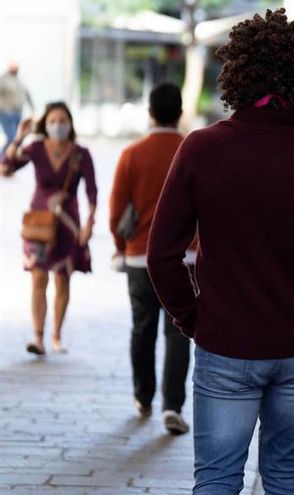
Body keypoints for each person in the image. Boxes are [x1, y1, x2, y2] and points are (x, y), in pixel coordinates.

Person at [146, 9, 294, 494]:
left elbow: (161, 254)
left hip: (224, 341)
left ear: (237, 72)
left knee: (216, 479)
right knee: (287, 474)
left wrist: (193, 318)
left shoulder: (202, 149)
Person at [109, 82, 194, 434]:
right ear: (180, 113)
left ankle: (143, 396)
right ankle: (172, 405)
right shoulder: (192, 150)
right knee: (178, 332)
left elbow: (117, 211)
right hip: (185, 258)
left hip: (140, 257)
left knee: (142, 327)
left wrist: (120, 243)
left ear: (149, 113)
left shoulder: (132, 153)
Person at [1, 102, 96, 355]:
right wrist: (19, 137)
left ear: (70, 123)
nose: (58, 125)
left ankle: (56, 334)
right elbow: (5, 167)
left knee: (62, 280)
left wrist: (89, 223)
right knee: (38, 277)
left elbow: (92, 191)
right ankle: (38, 337)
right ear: (45, 123)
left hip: (68, 225)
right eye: (53, 120)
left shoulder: (80, 153)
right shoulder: (35, 148)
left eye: (63, 120)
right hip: (38, 225)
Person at [0, 62, 34, 151]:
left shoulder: (19, 80)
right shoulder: (3, 80)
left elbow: (27, 94)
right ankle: (3, 159)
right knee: (13, 138)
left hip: (18, 112)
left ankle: (6, 160)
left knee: (16, 138)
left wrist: (33, 108)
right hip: (6, 113)